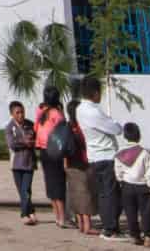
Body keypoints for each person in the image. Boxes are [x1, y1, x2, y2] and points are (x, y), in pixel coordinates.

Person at [77, 77, 127, 241]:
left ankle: (111, 226)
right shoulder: (93, 112)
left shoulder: (81, 109)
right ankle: (109, 229)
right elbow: (116, 129)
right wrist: (114, 122)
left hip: (95, 156)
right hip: (105, 156)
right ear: (95, 93)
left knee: (107, 194)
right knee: (110, 195)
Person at [114, 122, 150, 248]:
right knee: (146, 212)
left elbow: (118, 171)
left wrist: (121, 180)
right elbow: (149, 171)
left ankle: (135, 236)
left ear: (125, 136)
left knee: (130, 212)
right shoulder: (145, 153)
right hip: (143, 186)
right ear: (139, 136)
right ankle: (148, 237)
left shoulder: (120, 153)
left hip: (127, 186)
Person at [35, 85, 69, 229]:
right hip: (55, 151)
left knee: (50, 183)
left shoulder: (40, 111)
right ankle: (62, 217)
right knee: (59, 184)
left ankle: (57, 216)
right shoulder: (57, 114)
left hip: (43, 151)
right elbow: (64, 134)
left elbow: (36, 128)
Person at [64, 91, 96, 236]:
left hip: (70, 163)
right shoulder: (82, 127)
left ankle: (81, 224)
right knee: (85, 194)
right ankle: (87, 225)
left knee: (75, 194)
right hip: (83, 163)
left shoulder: (67, 126)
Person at [6, 100, 38, 225]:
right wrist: (25, 142)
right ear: (12, 114)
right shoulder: (10, 128)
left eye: (22, 112)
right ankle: (31, 211)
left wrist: (32, 143)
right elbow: (12, 144)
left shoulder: (30, 125)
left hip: (29, 162)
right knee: (22, 191)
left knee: (26, 189)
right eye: (17, 113)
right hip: (16, 164)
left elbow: (37, 140)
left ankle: (24, 214)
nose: (21, 115)